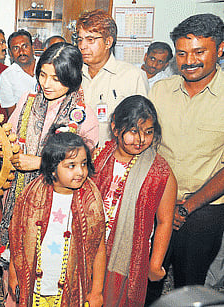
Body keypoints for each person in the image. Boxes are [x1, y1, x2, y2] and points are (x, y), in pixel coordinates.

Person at [0, 42, 98, 306]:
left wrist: (39, 163)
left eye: (56, 78)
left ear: (72, 77)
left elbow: (85, 162)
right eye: (42, 75)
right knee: (16, 266)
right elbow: (8, 138)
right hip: (21, 196)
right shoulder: (28, 101)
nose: (47, 83)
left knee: (53, 267)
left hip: (61, 207)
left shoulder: (83, 114)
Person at [147, 13, 224, 295]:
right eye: (181, 53)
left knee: (189, 287)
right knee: (145, 283)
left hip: (204, 209)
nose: (189, 60)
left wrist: (187, 206)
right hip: (156, 204)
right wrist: (161, 202)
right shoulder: (160, 90)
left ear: (221, 49)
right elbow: (147, 148)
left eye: (199, 52)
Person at [8, 123, 106, 307]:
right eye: (71, 166)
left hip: (73, 289)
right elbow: (17, 238)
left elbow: (99, 247)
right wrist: (14, 272)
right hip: (36, 287)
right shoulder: (31, 195)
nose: (80, 171)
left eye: (83, 164)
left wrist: (97, 291)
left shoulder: (90, 200)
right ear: (52, 169)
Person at [92, 95, 176, 306]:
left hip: (127, 260)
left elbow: (165, 221)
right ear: (115, 127)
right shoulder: (99, 156)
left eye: (148, 132)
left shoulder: (160, 172)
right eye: (133, 131)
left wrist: (155, 264)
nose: (140, 140)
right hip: (91, 249)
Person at [77, 9, 148, 145]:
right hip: (76, 159)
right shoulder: (73, 74)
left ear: (108, 42)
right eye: (80, 40)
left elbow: (142, 126)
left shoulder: (132, 76)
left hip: (113, 159)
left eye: (90, 40)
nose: (82, 46)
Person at [0, 30, 38, 117]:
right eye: (16, 48)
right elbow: (12, 115)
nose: (21, 52)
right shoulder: (7, 76)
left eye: (25, 46)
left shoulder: (47, 66)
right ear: (10, 53)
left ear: (33, 48)